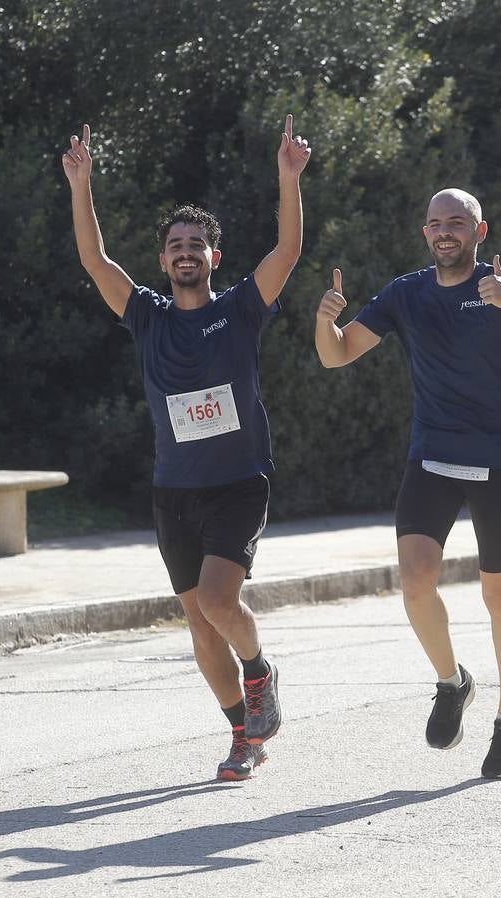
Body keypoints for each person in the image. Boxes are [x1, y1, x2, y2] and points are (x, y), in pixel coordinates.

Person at [61, 115, 311, 781]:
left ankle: (260, 672)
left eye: (197, 244)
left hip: (238, 482)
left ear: (213, 258)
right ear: (164, 260)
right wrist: (81, 186)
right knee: (200, 625)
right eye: (176, 244)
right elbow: (94, 261)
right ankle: (244, 736)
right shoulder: (148, 316)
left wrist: (288, 177)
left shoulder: (241, 309)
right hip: (174, 492)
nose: (186, 252)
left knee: (220, 603)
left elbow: (287, 251)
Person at [313, 188, 501, 778]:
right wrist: (325, 322)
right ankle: (452, 682)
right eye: (435, 223)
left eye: (457, 222)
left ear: (480, 232)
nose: (445, 231)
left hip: (499, 463)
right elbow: (337, 355)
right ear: (425, 233)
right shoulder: (405, 293)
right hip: (432, 458)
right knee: (415, 581)